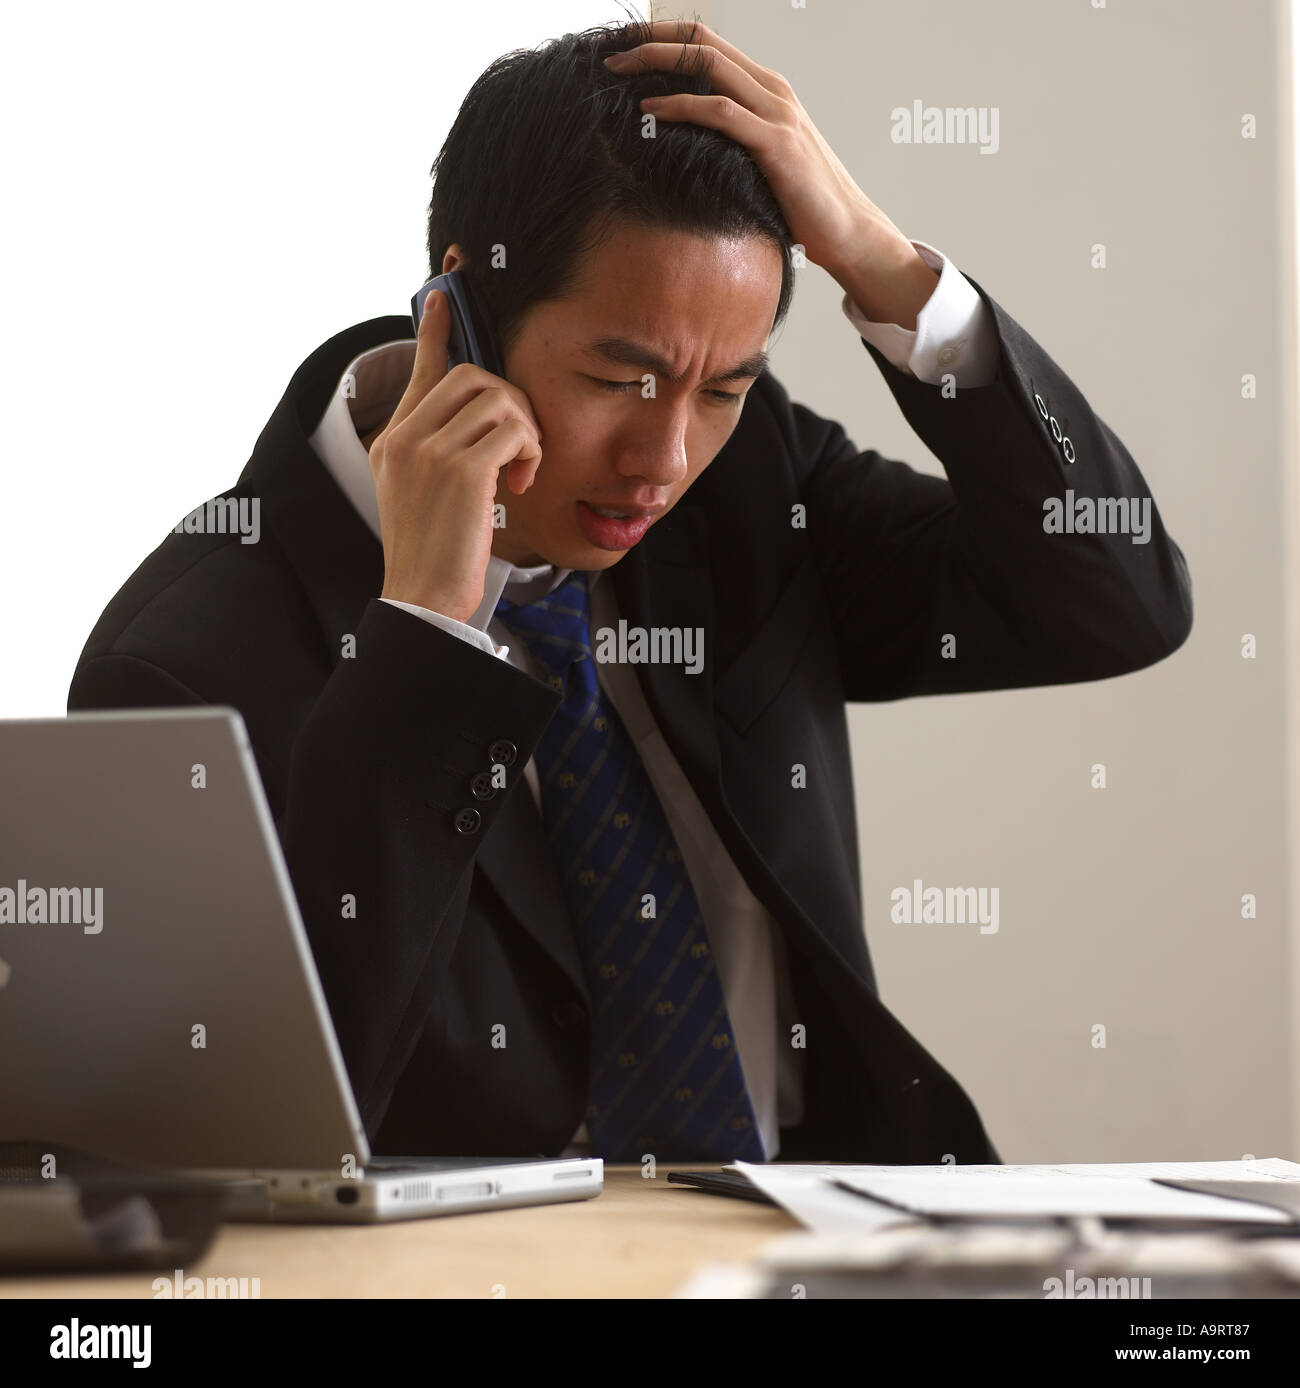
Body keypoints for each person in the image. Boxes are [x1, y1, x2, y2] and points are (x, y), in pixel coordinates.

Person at [68, 18, 1192, 1164]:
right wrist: (422, 636)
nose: (662, 460)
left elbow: (1113, 595)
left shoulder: (746, 490)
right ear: (457, 317)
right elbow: (237, 1147)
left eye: (723, 390)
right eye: (621, 377)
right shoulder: (177, 665)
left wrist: (883, 265)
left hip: (825, 1234)